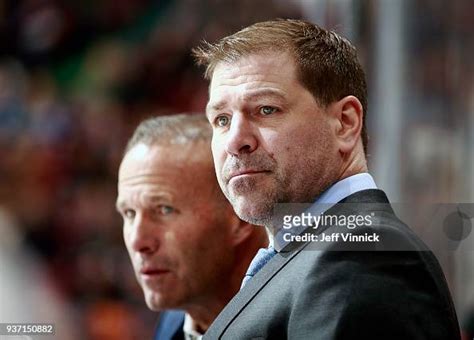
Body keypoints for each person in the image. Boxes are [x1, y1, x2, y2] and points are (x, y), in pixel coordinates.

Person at [193, 19, 461, 339]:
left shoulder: (361, 256)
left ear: (345, 123)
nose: (235, 140)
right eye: (221, 119)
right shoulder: (314, 253)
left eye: (266, 109)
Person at [116, 113, 268, 340]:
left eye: (164, 210)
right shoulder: (175, 320)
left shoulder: (301, 322)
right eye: (129, 213)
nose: (138, 241)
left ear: (241, 217)